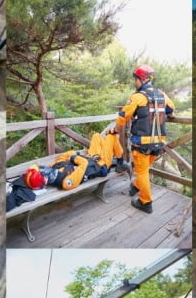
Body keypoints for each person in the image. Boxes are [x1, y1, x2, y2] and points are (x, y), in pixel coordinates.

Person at [113, 65, 175, 214]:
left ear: (142, 79)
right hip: (158, 142)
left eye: (136, 79)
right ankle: (136, 186)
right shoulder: (161, 95)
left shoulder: (137, 97)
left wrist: (115, 130)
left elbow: (123, 116)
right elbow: (171, 110)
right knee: (144, 169)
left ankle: (145, 202)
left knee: (141, 172)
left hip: (141, 143)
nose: (135, 82)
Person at [22, 132, 124, 192]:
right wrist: (73, 158)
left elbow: (70, 153)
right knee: (111, 136)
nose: (43, 168)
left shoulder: (54, 167)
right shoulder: (66, 182)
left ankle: (117, 157)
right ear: (44, 176)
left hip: (90, 158)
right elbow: (83, 163)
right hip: (100, 166)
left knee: (96, 135)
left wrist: (73, 156)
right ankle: (120, 161)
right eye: (41, 170)